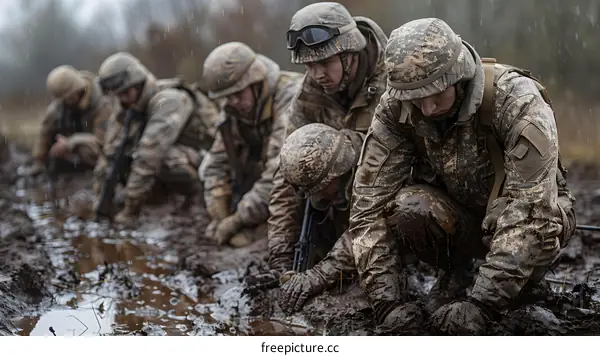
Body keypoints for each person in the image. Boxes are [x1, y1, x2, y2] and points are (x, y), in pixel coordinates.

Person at [348, 18, 576, 335]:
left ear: (458, 76)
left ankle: (519, 284)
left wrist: (482, 306)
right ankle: (454, 272)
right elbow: (368, 208)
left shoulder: (516, 100)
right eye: (416, 97)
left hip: (523, 216)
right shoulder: (395, 109)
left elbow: (534, 212)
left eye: (436, 93)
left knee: (534, 234)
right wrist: (387, 305)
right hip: (459, 214)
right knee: (408, 208)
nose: (427, 109)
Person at [264, 1, 388, 285]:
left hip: (392, 194)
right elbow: (286, 176)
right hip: (338, 201)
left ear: (350, 52)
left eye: (324, 63)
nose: (318, 74)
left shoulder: (392, 81)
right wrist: (281, 258)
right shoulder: (308, 95)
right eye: (309, 65)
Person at [93, 52, 220, 225]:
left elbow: (149, 155)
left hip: (210, 159)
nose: (122, 99)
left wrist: (130, 211)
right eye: (118, 94)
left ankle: (196, 196)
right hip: (185, 156)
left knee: (161, 158)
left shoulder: (169, 100)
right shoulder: (128, 105)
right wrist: (100, 198)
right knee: (125, 156)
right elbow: (110, 151)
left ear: (137, 84)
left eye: (125, 92)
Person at [199, 42, 302, 247]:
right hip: (259, 189)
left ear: (256, 82)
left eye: (238, 94)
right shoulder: (233, 112)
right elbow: (216, 165)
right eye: (228, 97)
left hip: (294, 187)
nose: (234, 102)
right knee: (204, 167)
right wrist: (220, 215)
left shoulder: (291, 96)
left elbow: (280, 171)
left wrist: (238, 219)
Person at [269, 123, 364, 314]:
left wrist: (319, 276)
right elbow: (285, 202)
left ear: (335, 175)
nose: (312, 196)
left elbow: (367, 227)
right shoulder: (328, 169)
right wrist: (281, 261)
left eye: (316, 189)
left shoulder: (372, 166)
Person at [19, 65, 115, 176]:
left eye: (67, 97)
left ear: (77, 90)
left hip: (98, 152)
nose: (65, 101)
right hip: (71, 151)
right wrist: (39, 160)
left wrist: (71, 142)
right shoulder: (58, 108)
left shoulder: (102, 105)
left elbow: (103, 140)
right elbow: (45, 134)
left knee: (85, 150)